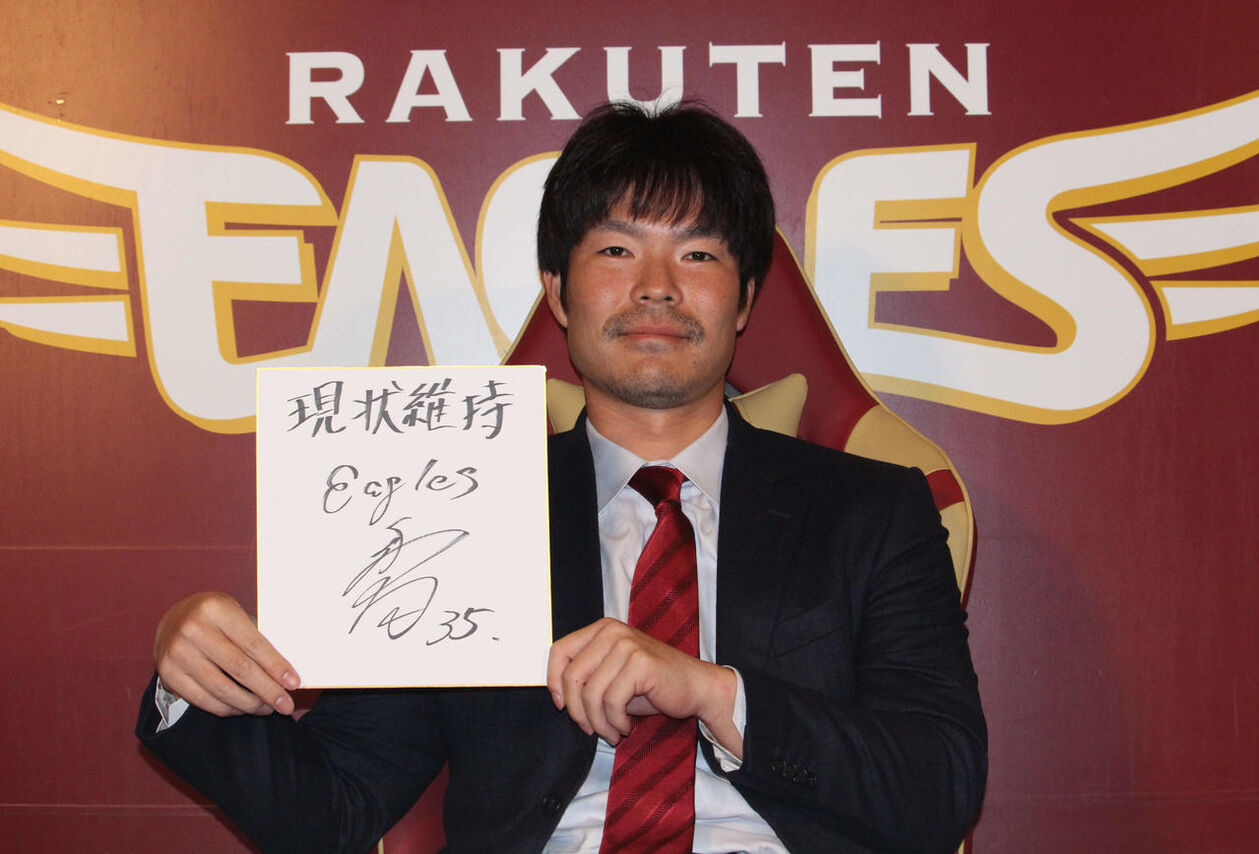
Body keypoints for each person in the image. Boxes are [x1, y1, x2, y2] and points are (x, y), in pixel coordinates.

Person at [137, 102, 986, 853]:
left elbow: (939, 788)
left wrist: (710, 691)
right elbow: (332, 808)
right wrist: (193, 679)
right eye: (617, 249)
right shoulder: (455, 510)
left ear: (746, 300)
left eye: (696, 254)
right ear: (557, 292)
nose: (656, 288)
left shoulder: (873, 509)